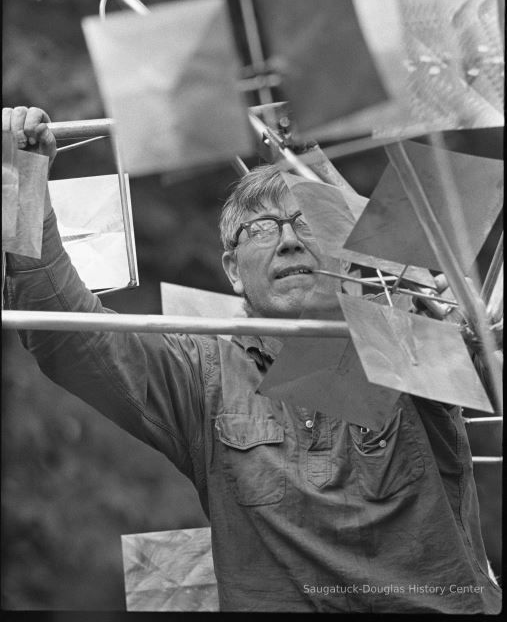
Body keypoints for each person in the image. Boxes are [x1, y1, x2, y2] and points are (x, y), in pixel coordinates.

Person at [3, 105, 502, 613]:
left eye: (307, 223)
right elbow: (65, 333)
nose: (288, 241)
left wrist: (475, 332)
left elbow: (487, 364)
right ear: (233, 271)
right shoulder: (204, 372)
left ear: (346, 250)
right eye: (261, 230)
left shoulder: (410, 333)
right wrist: (21, 183)